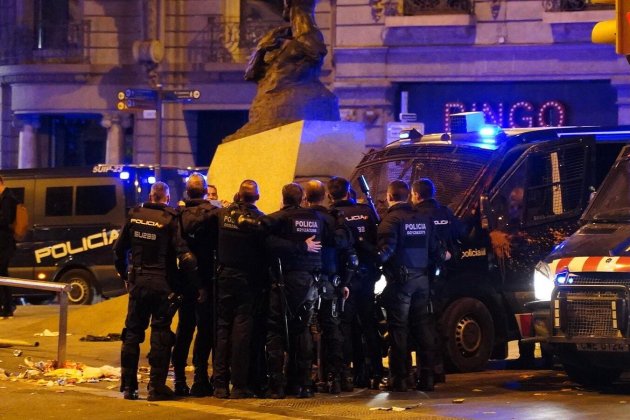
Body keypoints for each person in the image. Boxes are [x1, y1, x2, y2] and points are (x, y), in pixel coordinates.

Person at [114, 181, 199, 401]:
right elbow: (185, 256)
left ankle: (129, 387)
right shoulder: (170, 219)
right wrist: (189, 284)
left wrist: (125, 275)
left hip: (139, 283)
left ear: (151, 196)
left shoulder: (134, 215)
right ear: (167, 198)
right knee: (161, 334)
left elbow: (119, 250)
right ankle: (155, 387)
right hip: (163, 285)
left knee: (132, 334)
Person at [377, 180, 448, 392]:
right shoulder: (424, 219)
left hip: (401, 283)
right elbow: (437, 250)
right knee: (424, 328)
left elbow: (385, 253)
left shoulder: (391, 220)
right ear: (408, 196)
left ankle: (400, 378)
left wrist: (370, 257)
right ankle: (427, 377)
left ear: (390, 197)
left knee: (399, 330)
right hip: (423, 281)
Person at [264, 182, 322, 399]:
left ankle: (277, 385)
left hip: (283, 281)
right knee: (303, 330)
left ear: (283, 198)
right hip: (309, 282)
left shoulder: (279, 219)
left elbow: (266, 239)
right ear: (302, 198)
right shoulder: (317, 219)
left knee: (276, 331)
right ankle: (303, 384)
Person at [212, 179, 268, 399]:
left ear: (238, 195)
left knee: (223, 330)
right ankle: (239, 384)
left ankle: (219, 384)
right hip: (248, 281)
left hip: (225, 277)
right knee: (242, 333)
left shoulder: (222, 215)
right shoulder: (261, 220)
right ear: (257, 197)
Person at [328, 176, 382, 390]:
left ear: (330, 194)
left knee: (346, 326)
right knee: (369, 324)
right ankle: (375, 371)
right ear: (349, 191)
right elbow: (377, 240)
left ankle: (349, 373)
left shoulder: (332, 216)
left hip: (344, 279)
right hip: (367, 276)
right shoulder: (367, 212)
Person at [411, 178, 463, 387]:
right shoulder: (447, 213)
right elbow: (460, 235)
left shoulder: (418, 216)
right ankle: (439, 368)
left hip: (424, 274)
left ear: (416, 195)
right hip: (446, 274)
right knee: (440, 321)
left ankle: (427, 369)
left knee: (424, 323)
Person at [171, 173, 217, 397]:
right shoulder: (214, 215)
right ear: (206, 191)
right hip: (208, 280)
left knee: (184, 330)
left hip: (185, 280)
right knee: (205, 330)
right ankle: (201, 378)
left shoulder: (177, 216)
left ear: (187, 192)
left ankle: (179, 379)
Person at [303, 180, 351, 394]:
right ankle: (338, 377)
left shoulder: (301, 217)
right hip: (330, 280)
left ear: (306, 196)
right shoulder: (333, 220)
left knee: (304, 328)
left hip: (306, 280)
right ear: (325, 196)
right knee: (331, 328)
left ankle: (304, 377)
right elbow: (345, 247)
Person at [0, 176, 18, 319]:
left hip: (5, 243)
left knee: (2, 274)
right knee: (3, 274)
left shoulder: (7, 198)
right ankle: (7, 305)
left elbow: (5, 219)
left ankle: (8, 306)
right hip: (4, 242)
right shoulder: (6, 197)